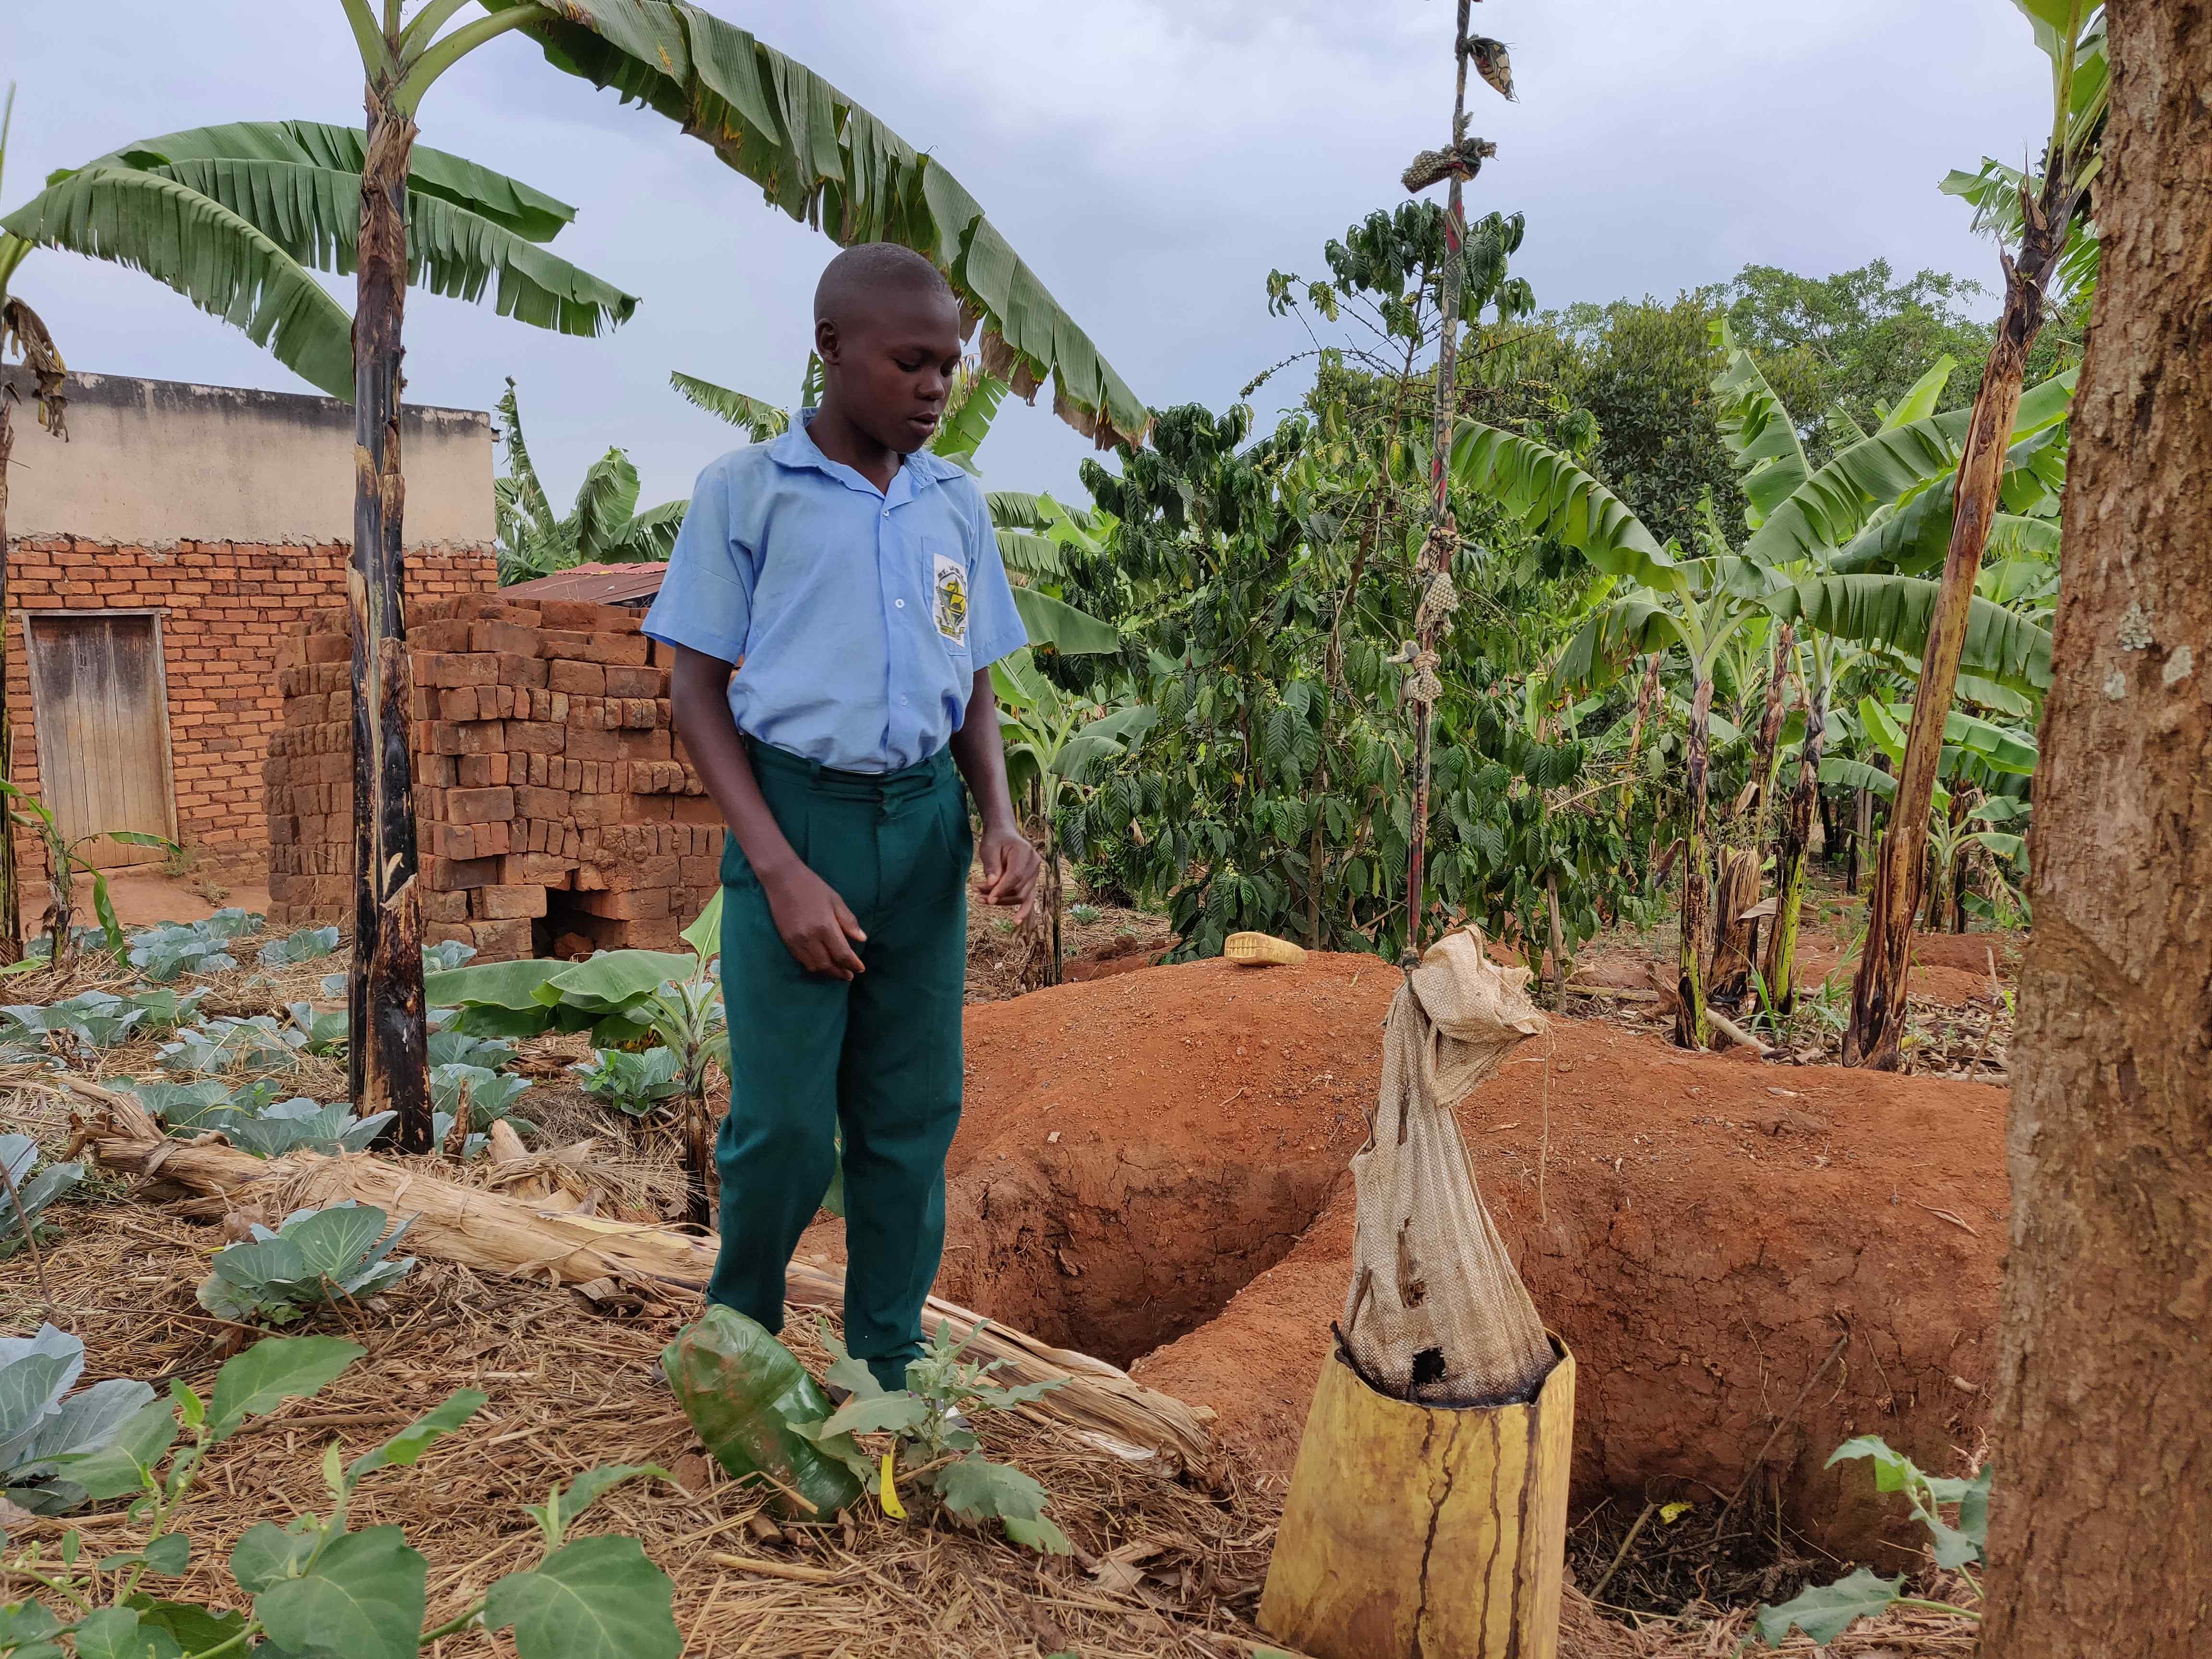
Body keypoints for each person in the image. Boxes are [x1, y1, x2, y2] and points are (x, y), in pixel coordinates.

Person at [644, 242, 1042, 1391]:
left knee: (910, 1117)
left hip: (923, 831)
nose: (935, 386)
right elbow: (694, 692)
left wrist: (1000, 818)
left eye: (949, 366)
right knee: (780, 1129)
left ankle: (889, 1366)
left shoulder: (953, 503)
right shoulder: (748, 492)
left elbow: (973, 680)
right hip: (797, 823)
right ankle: (737, 1347)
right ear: (831, 347)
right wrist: (777, 869)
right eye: (911, 361)